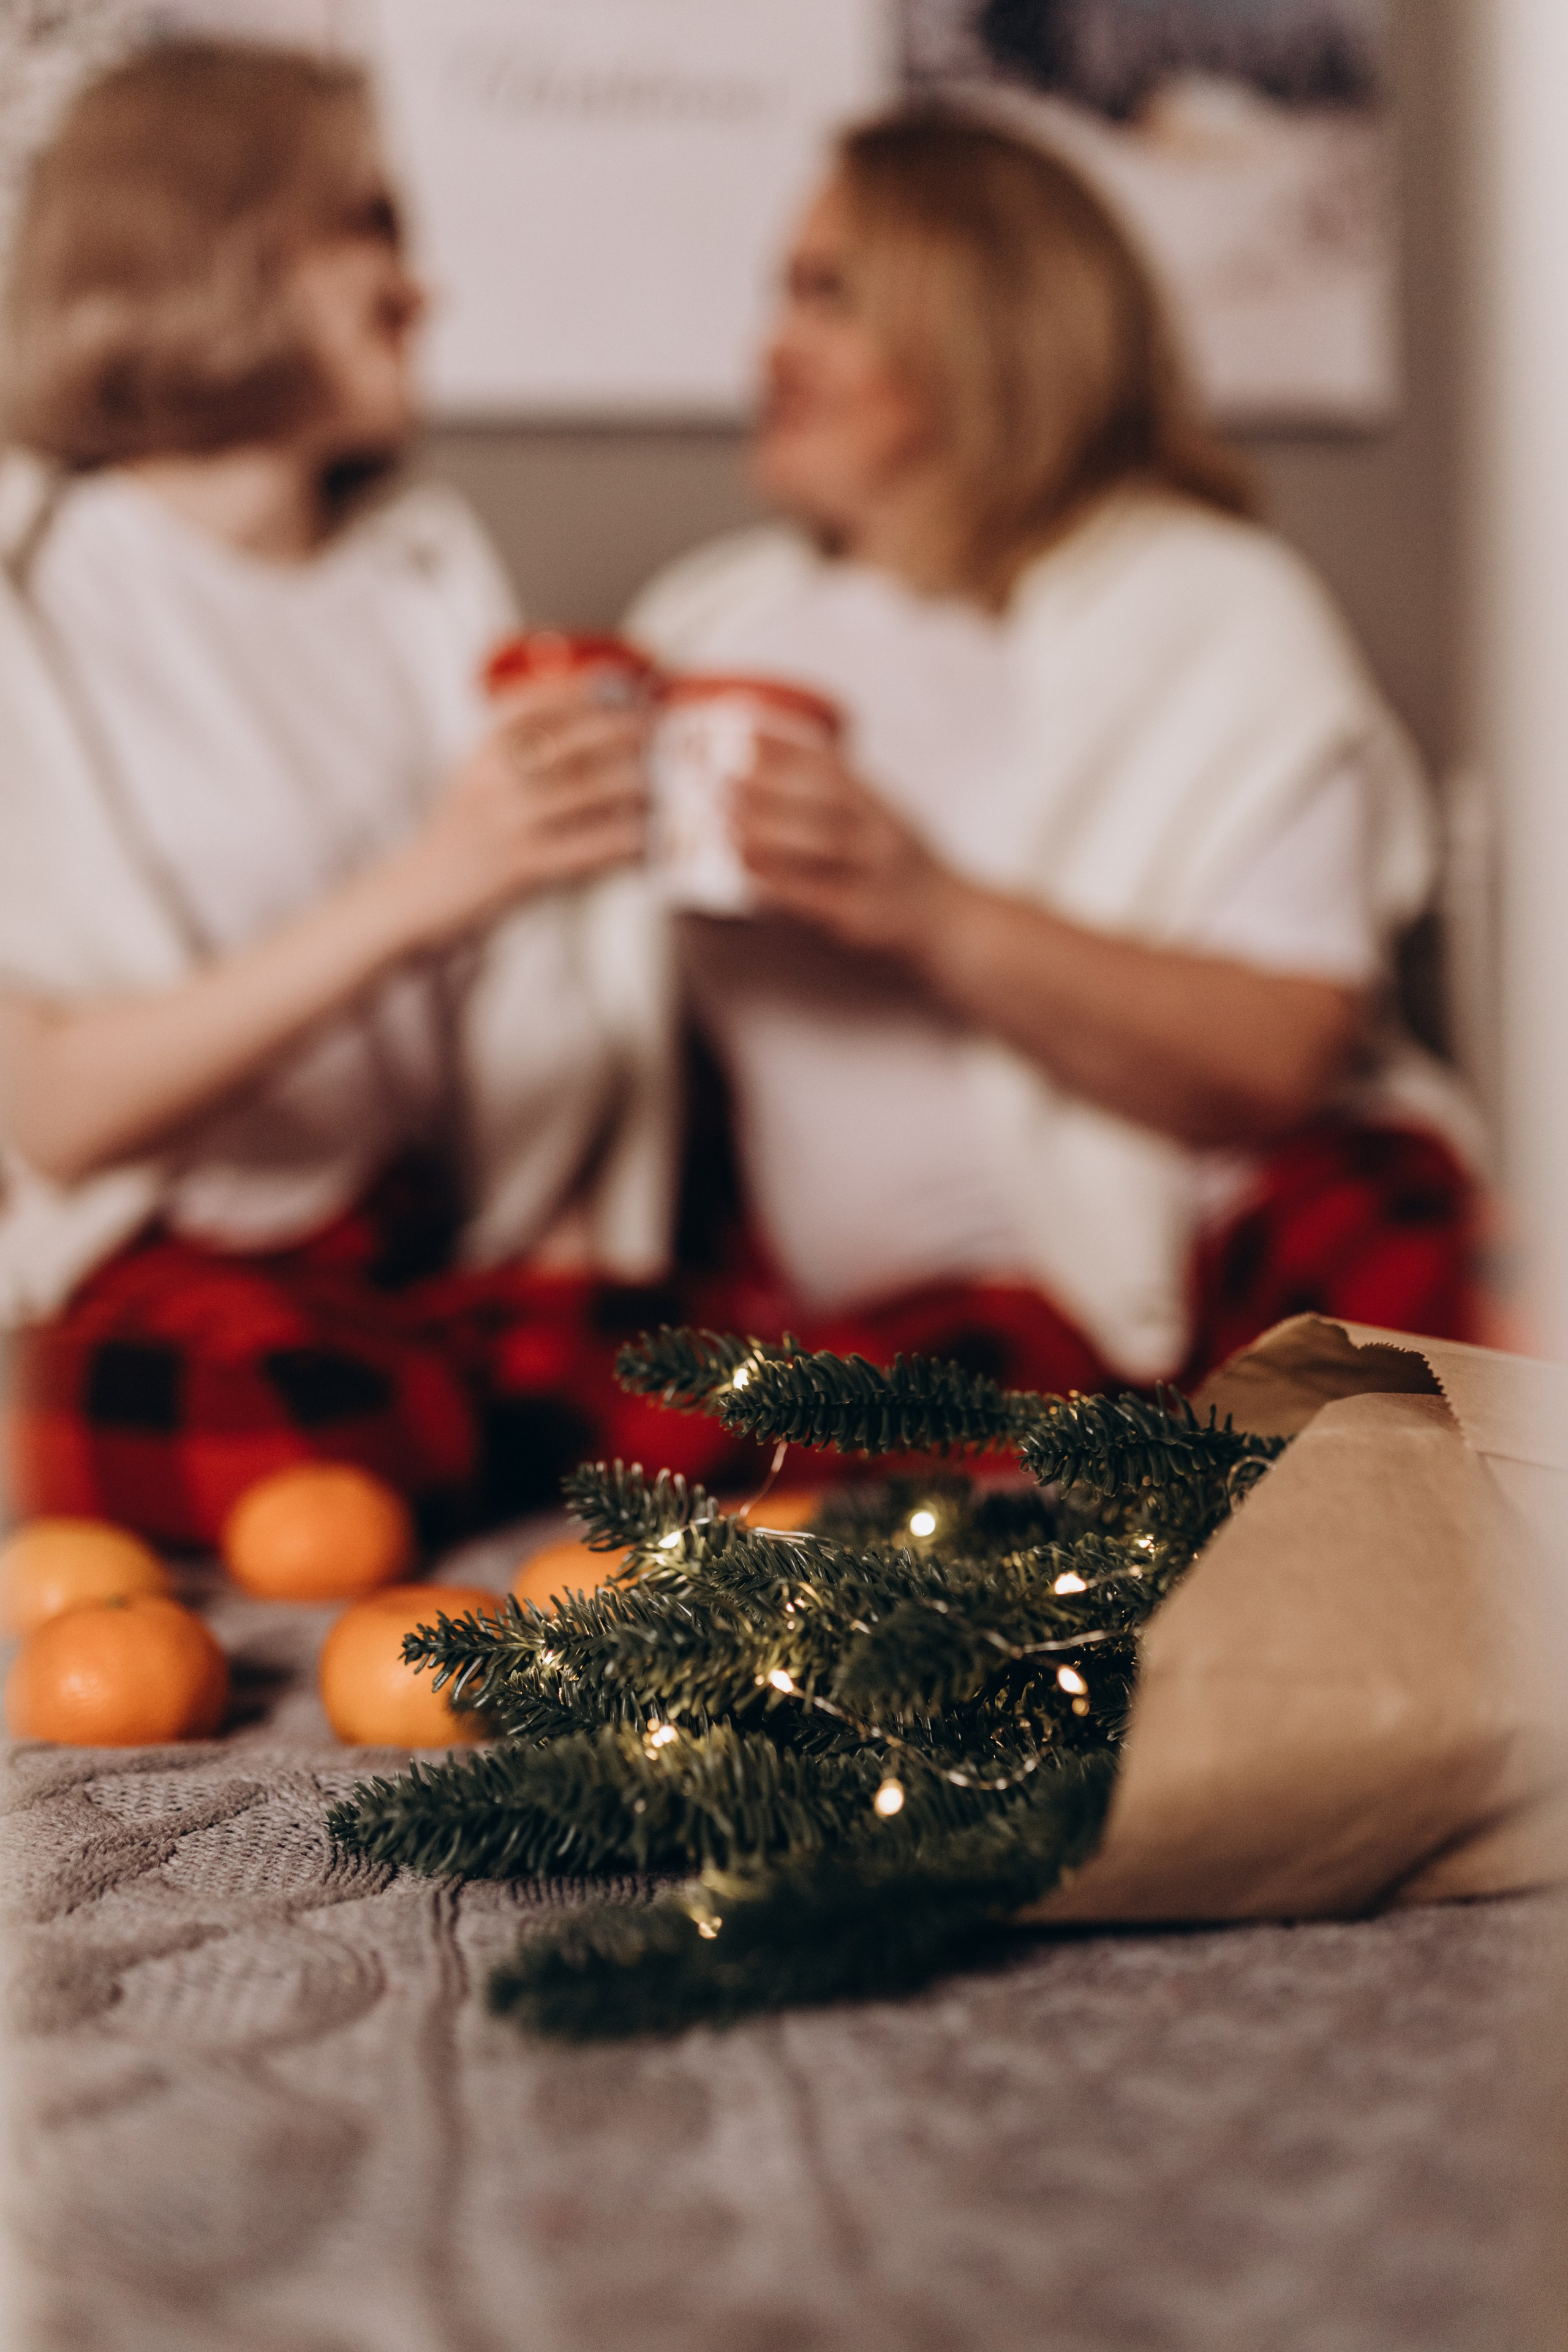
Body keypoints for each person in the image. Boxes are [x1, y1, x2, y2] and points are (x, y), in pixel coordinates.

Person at [630, 105, 1481, 1401]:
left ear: (978, 322)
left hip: (1246, 1238)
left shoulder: (1212, 604)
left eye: (828, 295)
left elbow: (1284, 1056)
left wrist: (927, 911)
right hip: (938, 1320)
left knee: (1469, 1400)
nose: (771, 347)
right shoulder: (703, 628)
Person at [0, 40, 680, 1547]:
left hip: (405, 1259)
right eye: (370, 221)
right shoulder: (38, 592)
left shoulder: (420, 587)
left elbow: (527, 1014)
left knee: (745, 1383)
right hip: (158, 1266)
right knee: (304, 1416)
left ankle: (496, 1394)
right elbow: (48, 1111)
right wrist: (436, 879)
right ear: (216, 243)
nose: (419, 286)